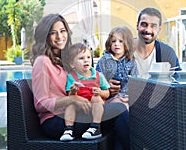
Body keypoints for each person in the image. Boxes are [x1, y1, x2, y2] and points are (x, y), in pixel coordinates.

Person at [30, 14, 129, 150]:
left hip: (73, 113)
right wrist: (71, 100)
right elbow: (40, 104)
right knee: (119, 110)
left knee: (119, 106)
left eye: (62, 31)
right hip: (57, 122)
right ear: (45, 36)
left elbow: (81, 84)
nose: (59, 36)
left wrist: (104, 87)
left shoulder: (64, 60)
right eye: (53, 33)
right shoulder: (42, 62)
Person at [131, 7, 186, 150]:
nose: (148, 30)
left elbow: (177, 81)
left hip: (158, 101)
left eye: (153, 26)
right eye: (144, 24)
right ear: (137, 25)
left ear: (159, 29)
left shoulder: (166, 52)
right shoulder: (124, 49)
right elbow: (102, 72)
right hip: (131, 101)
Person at [60, 43, 110, 141]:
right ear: (72, 64)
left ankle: (95, 127)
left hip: (95, 105)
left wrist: (100, 92)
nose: (86, 60)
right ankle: (69, 129)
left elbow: (107, 93)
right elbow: (69, 95)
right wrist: (73, 92)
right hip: (80, 106)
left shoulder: (98, 75)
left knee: (96, 98)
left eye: (88, 57)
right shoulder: (71, 77)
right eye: (81, 58)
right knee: (70, 105)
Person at [96, 26, 138, 107]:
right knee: (120, 106)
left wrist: (130, 97)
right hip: (107, 98)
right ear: (109, 43)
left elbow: (135, 81)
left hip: (126, 97)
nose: (116, 44)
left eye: (121, 41)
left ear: (127, 43)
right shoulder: (104, 60)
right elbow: (97, 80)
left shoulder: (131, 61)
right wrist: (106, 85)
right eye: (113, 41)